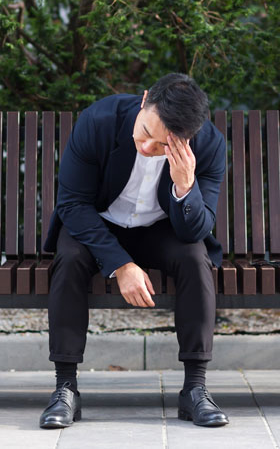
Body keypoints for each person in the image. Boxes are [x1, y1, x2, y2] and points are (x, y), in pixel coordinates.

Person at [39, 73, 228, 428]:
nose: (146, 147)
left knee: (194, 258)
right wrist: (121, 264)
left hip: (160, 229)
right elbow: (72, 203)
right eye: (144, 132)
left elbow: (196, 230)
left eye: (160, 145)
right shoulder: (99, 121)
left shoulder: (208, 146)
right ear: (144, 101)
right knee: (70, 258)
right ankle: (65, 388)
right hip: (96, 222)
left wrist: (185, 186)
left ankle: (195, 389)